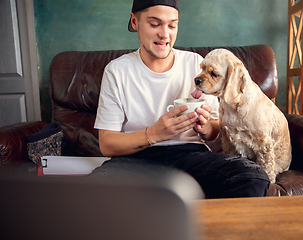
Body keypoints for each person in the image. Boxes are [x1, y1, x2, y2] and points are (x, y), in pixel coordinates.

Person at [91, 0, 270, 198]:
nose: (165, 34)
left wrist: (204, 127)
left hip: (190, 156)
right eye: (154, 24)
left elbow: (214, 129)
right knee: (93, 189)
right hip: (135, 159)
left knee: (253, 177)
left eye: (172, 25)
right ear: (135, 22)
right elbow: (107, 143)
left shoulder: (196, 64)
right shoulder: (117, 71)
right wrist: (153, 134)